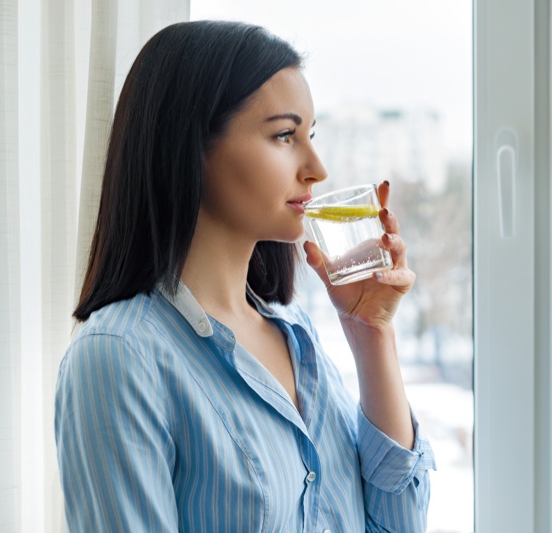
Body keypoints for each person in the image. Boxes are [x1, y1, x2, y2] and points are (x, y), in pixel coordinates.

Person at [54, 19, 436, 532]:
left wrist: (373, 336)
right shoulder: (119, 355)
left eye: (311, 135)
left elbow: (399, 524)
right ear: (189, 146)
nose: (317, 168)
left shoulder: (295, 335)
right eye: (284, 135)